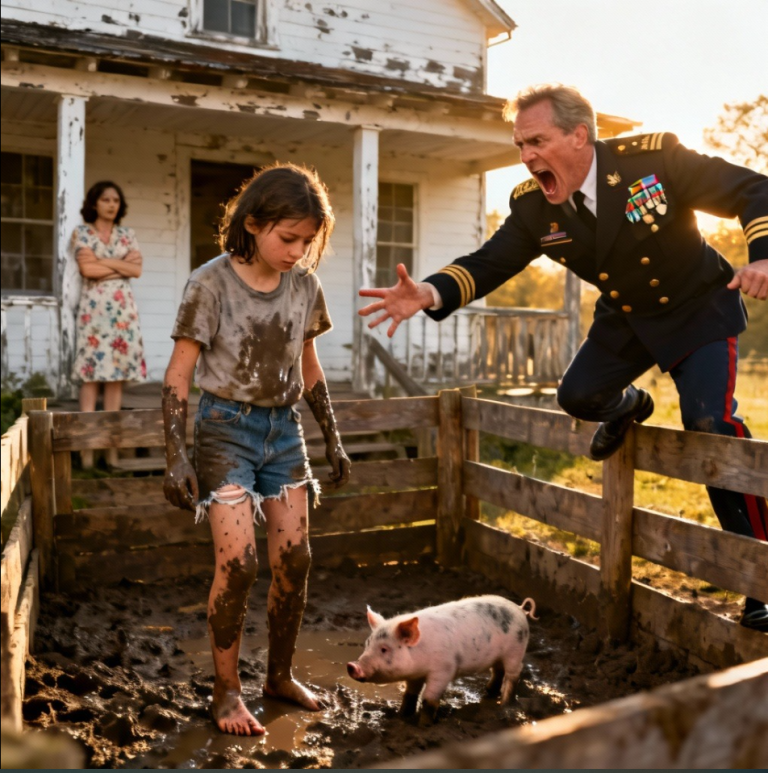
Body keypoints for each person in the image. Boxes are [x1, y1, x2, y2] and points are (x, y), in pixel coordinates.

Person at [359, 84, 768, 632]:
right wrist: (429, 293)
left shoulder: (655, 158)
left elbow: (754, 191)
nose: (526, 156)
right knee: (578, 396)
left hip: (699, 310)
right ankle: (631, 404)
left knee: (709, 424)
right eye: (520, 144)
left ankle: (758, 575)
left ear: (580, 136)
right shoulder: (532, 208)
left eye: (536, 141)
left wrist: (763, 257)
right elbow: (489, 262)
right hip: (628, 318)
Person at [162, 163, 351, 736]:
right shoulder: (210, 283)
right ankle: (225, 692)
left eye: (307, 241)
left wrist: (332, 438)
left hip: (284, 432)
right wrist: (176, 455)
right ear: (253, 223)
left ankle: (279, 676)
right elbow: (177, 376)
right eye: (287, 238)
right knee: (239, 564)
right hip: (225, 430)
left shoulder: (305, 287)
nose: (297, 251)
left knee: (294, 560)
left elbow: (309, 366)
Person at [71, 181, 147, 468]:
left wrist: (103, 261)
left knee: (115, 377)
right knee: (91, 376)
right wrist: (118, 264)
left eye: (116, 199)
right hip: (93, 313)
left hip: (122, 313)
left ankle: (111, 449)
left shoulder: (127, 234)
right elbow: (87, 269)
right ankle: (87, 451)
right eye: (105, 199)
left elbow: (136, 270)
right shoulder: (82, 233)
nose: (112, 204)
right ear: (94, 203)